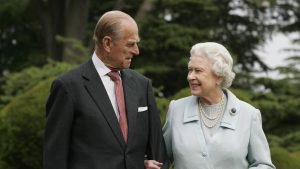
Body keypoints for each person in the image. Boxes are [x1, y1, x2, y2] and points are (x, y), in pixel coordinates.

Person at [44, 10, 165, 169]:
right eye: (130, 44)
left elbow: (158, 153)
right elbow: (54, 158)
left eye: (136, 43)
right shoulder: (68, 86)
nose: (136, 51)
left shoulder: (143, 85)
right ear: (107, 43)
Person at [146, 42, 275, 169]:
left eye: (198, 71)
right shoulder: (176, 110)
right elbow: (160, 161)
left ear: (219, 76)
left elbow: (263, 165)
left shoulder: (248, 114)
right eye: (190, 70)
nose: (190, 76)